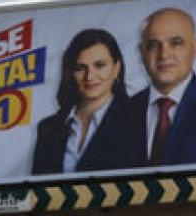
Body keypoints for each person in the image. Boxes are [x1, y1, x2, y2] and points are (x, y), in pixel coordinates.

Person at [127, 7, 196, 166]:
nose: (164, 54)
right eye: (153, 45)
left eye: (175, 43)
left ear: (195, 48)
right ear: (142, 52)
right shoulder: (124, 111)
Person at [31, 29, 142, 175]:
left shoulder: (138, 120)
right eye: (80, 68)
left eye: (99, 65)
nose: (89, 76)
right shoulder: (48, 129)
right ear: (71, 72)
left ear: (116, 68)